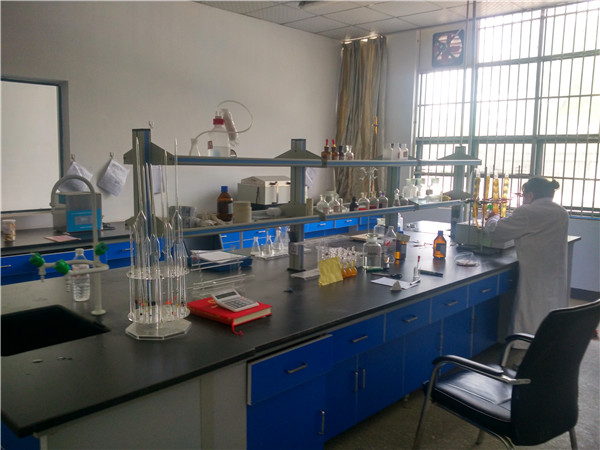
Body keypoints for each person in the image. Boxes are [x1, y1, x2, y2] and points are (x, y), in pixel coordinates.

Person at [485, 177, 569, 342]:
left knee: (531, 305)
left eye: (523, 195)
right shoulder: (561, 212)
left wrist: (492, 218)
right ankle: (548, 338)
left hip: (535, 271)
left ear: (530, 195)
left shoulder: (527, 212)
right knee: (549, 304)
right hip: (554, 269)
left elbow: (497, 233)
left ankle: (525, 342)